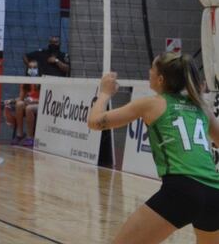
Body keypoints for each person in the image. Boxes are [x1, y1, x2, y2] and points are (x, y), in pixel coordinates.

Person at [87, 53, 219, 244]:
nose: (149, 72)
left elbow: (94, 122)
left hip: (182, 189)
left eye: (152, 68)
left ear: (160, 79)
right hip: (214, 193)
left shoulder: (151, 104)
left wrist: (104, 94)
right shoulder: (201, 107)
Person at [3, 60, 40, 147]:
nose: (32, 70)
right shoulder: (25, 82)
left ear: (38, 69)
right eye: (30, 68)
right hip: (30, 103)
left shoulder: (42, 81)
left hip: (39, 103)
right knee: (19, 104)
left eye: (34, 68)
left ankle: (30, 137)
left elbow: (45, 99)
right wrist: (11, 100)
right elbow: (21, 98)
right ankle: (20, 134)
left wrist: (33, 100)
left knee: (28, 108)